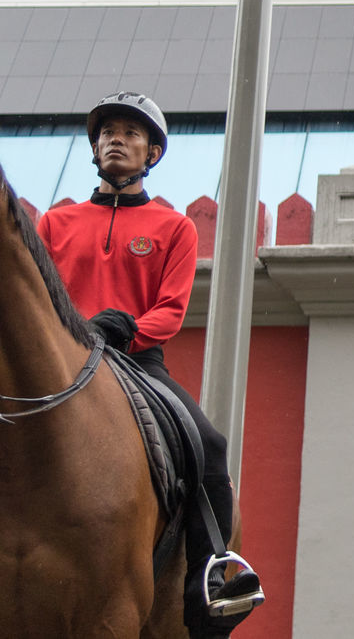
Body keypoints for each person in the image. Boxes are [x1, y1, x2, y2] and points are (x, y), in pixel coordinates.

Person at [36, 92, 264, 639]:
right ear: (94, 149)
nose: (116, 138)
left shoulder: (174, 227)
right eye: (108, 132)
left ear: (152, 154)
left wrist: (128, 329)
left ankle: (211, 575)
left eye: (131, 133)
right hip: (65, 358)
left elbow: (172, 310)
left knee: (208, 444)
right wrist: (78, 331)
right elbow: (39, 299)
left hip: (138, 362)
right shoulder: (53, 222)